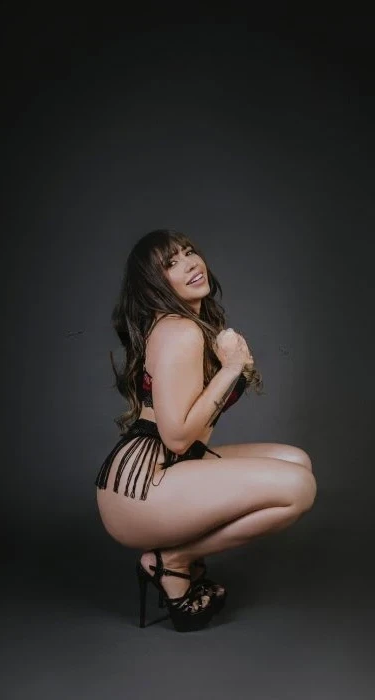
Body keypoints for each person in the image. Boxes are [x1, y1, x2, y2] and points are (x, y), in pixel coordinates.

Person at [95, 229, 317, 632]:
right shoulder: (181, 332)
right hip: (142, 487)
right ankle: (173, 562)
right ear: (154, 284)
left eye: (188, 252)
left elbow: (195, 438)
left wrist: (230, 374)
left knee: (296, 461)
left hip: (151, 474)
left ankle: (180, 560)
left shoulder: (179, 326)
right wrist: (231, 369)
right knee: (299, 488)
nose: (190, 264)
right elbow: (179, 439)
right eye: (171, 263)